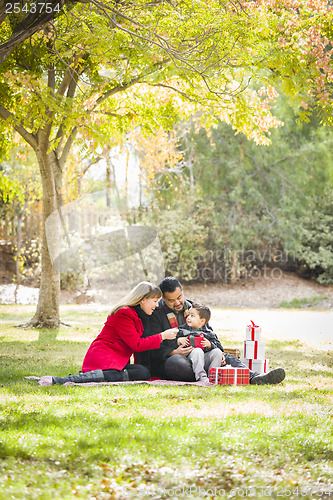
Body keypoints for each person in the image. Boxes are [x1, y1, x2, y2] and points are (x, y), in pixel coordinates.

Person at [137, 276, 285, 385]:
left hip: (205, 357)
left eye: (180, 297)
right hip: (178, 360)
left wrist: (212, 346)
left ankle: (255, 377)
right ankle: (211, 375)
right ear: (163, 298)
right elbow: (151, 345)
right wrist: (173, 352)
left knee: (226, 356)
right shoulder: (156, 314)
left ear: (183, 292)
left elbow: (213, 338)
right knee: (176, 363)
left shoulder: (194, 309)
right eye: (171, 300)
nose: (177, 303)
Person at [52, 281, 178, 385]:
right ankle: (78, 378)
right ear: (143, 299)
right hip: (103, 358)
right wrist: (162, 336)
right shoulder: (124, 313)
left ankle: (101, 376)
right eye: (155, 301)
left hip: (116, 361)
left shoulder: (138, 314)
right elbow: (137, 345)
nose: (157, 305)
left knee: (142, 372)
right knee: (138, 373)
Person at [168, 302, 223, 383]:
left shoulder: (209, 333)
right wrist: (178, 340)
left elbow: (220, 348)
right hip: (189, 361)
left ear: (202, 321)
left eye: (192, 316)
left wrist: (210, 345)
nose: (188, 318)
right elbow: (169, 343)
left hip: (204, 360)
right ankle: (201, 377)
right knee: (197, 351)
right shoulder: (182, 331)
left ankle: (213, 376)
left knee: (217, 352)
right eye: (188, 315)